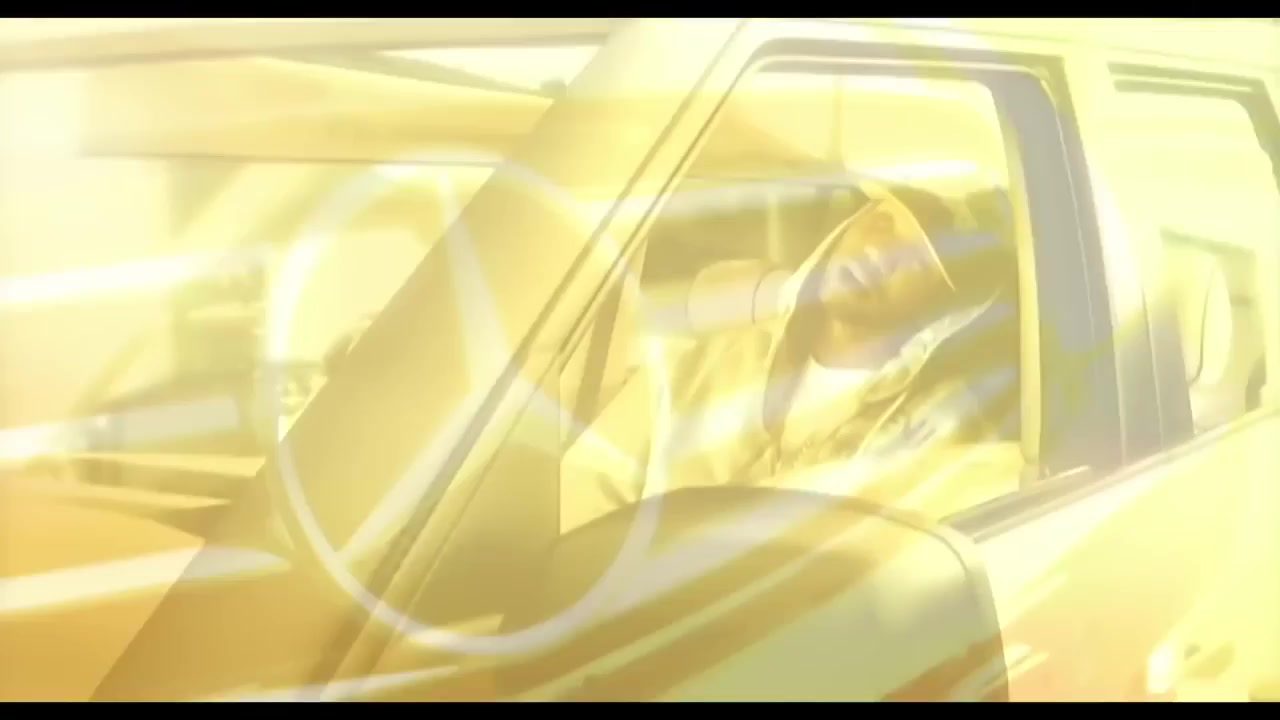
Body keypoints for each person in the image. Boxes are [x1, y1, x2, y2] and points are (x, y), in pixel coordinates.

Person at [559, 181, 1019, 532]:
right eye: (881, 221)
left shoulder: (936, 432)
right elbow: (585, 489)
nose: (879, 251)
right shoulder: (692, 367)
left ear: (943, 303)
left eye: (916, 257)